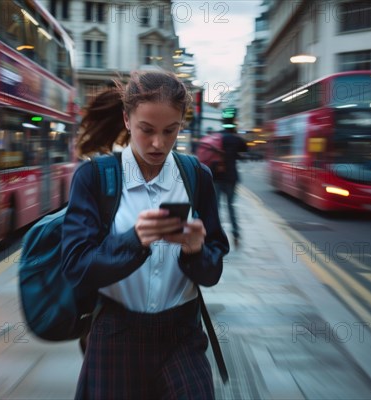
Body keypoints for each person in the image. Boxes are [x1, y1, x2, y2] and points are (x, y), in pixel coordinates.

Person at [61, 70, 230, 400]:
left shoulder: (197, 176)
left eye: (171, 131)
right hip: (115, 335)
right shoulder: (94, 177)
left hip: (181, 335)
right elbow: (76, 267)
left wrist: (196, 251)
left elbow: (212, 272)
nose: (159, 143)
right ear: (127, 119)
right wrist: (133, 241)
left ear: (182, 122)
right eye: (147, 130)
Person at [211, 126, 248, 248]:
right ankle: (235, 235)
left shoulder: (217, 138)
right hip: (231, 178)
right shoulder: (235, 139)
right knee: (231, 207)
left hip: (217, 176)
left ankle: (215, 235)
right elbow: (245, 149)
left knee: (216, 207)